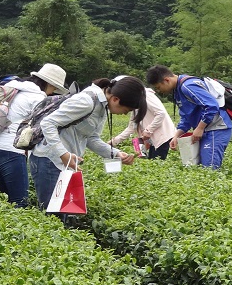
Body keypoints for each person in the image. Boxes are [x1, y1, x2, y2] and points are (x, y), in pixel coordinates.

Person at [30, 76, 147, 210]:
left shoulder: (102, 106)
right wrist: (63, 154)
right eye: (126, 110)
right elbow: (48, 123)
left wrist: (116, 154)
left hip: (67, 162)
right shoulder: (87, 101)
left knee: (64, 212)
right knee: (52, 213)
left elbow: (92, 138)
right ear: (115, 99)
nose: (124, 114)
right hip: (49, 160)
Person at [0, 63, 67, 207]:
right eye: (53, 88)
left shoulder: (15, 89)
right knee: (19, 202)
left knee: (1, 201)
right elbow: (42, 128)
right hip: (10, 151)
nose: (52, 92)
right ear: (48, 83)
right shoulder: (37, 97)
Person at [146, 66, 232, 170]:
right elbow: (186, 117)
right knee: (199, 167)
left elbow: (212, 106)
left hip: (216, 129)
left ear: (166, 80)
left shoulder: (188, 86)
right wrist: (176, 136)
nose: (159, 91)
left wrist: (200, 128)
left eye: (158, 87)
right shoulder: (178, 91)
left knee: (209, 169)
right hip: (205, 130)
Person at [108, 82, 176, 160]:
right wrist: (114, 142)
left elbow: (161, 113)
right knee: (150, 162)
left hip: (162, 137)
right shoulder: (134, 101)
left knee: (156, 161)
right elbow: (131, 127)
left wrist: (149, 130)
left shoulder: (147, 96)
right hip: (149, 139)